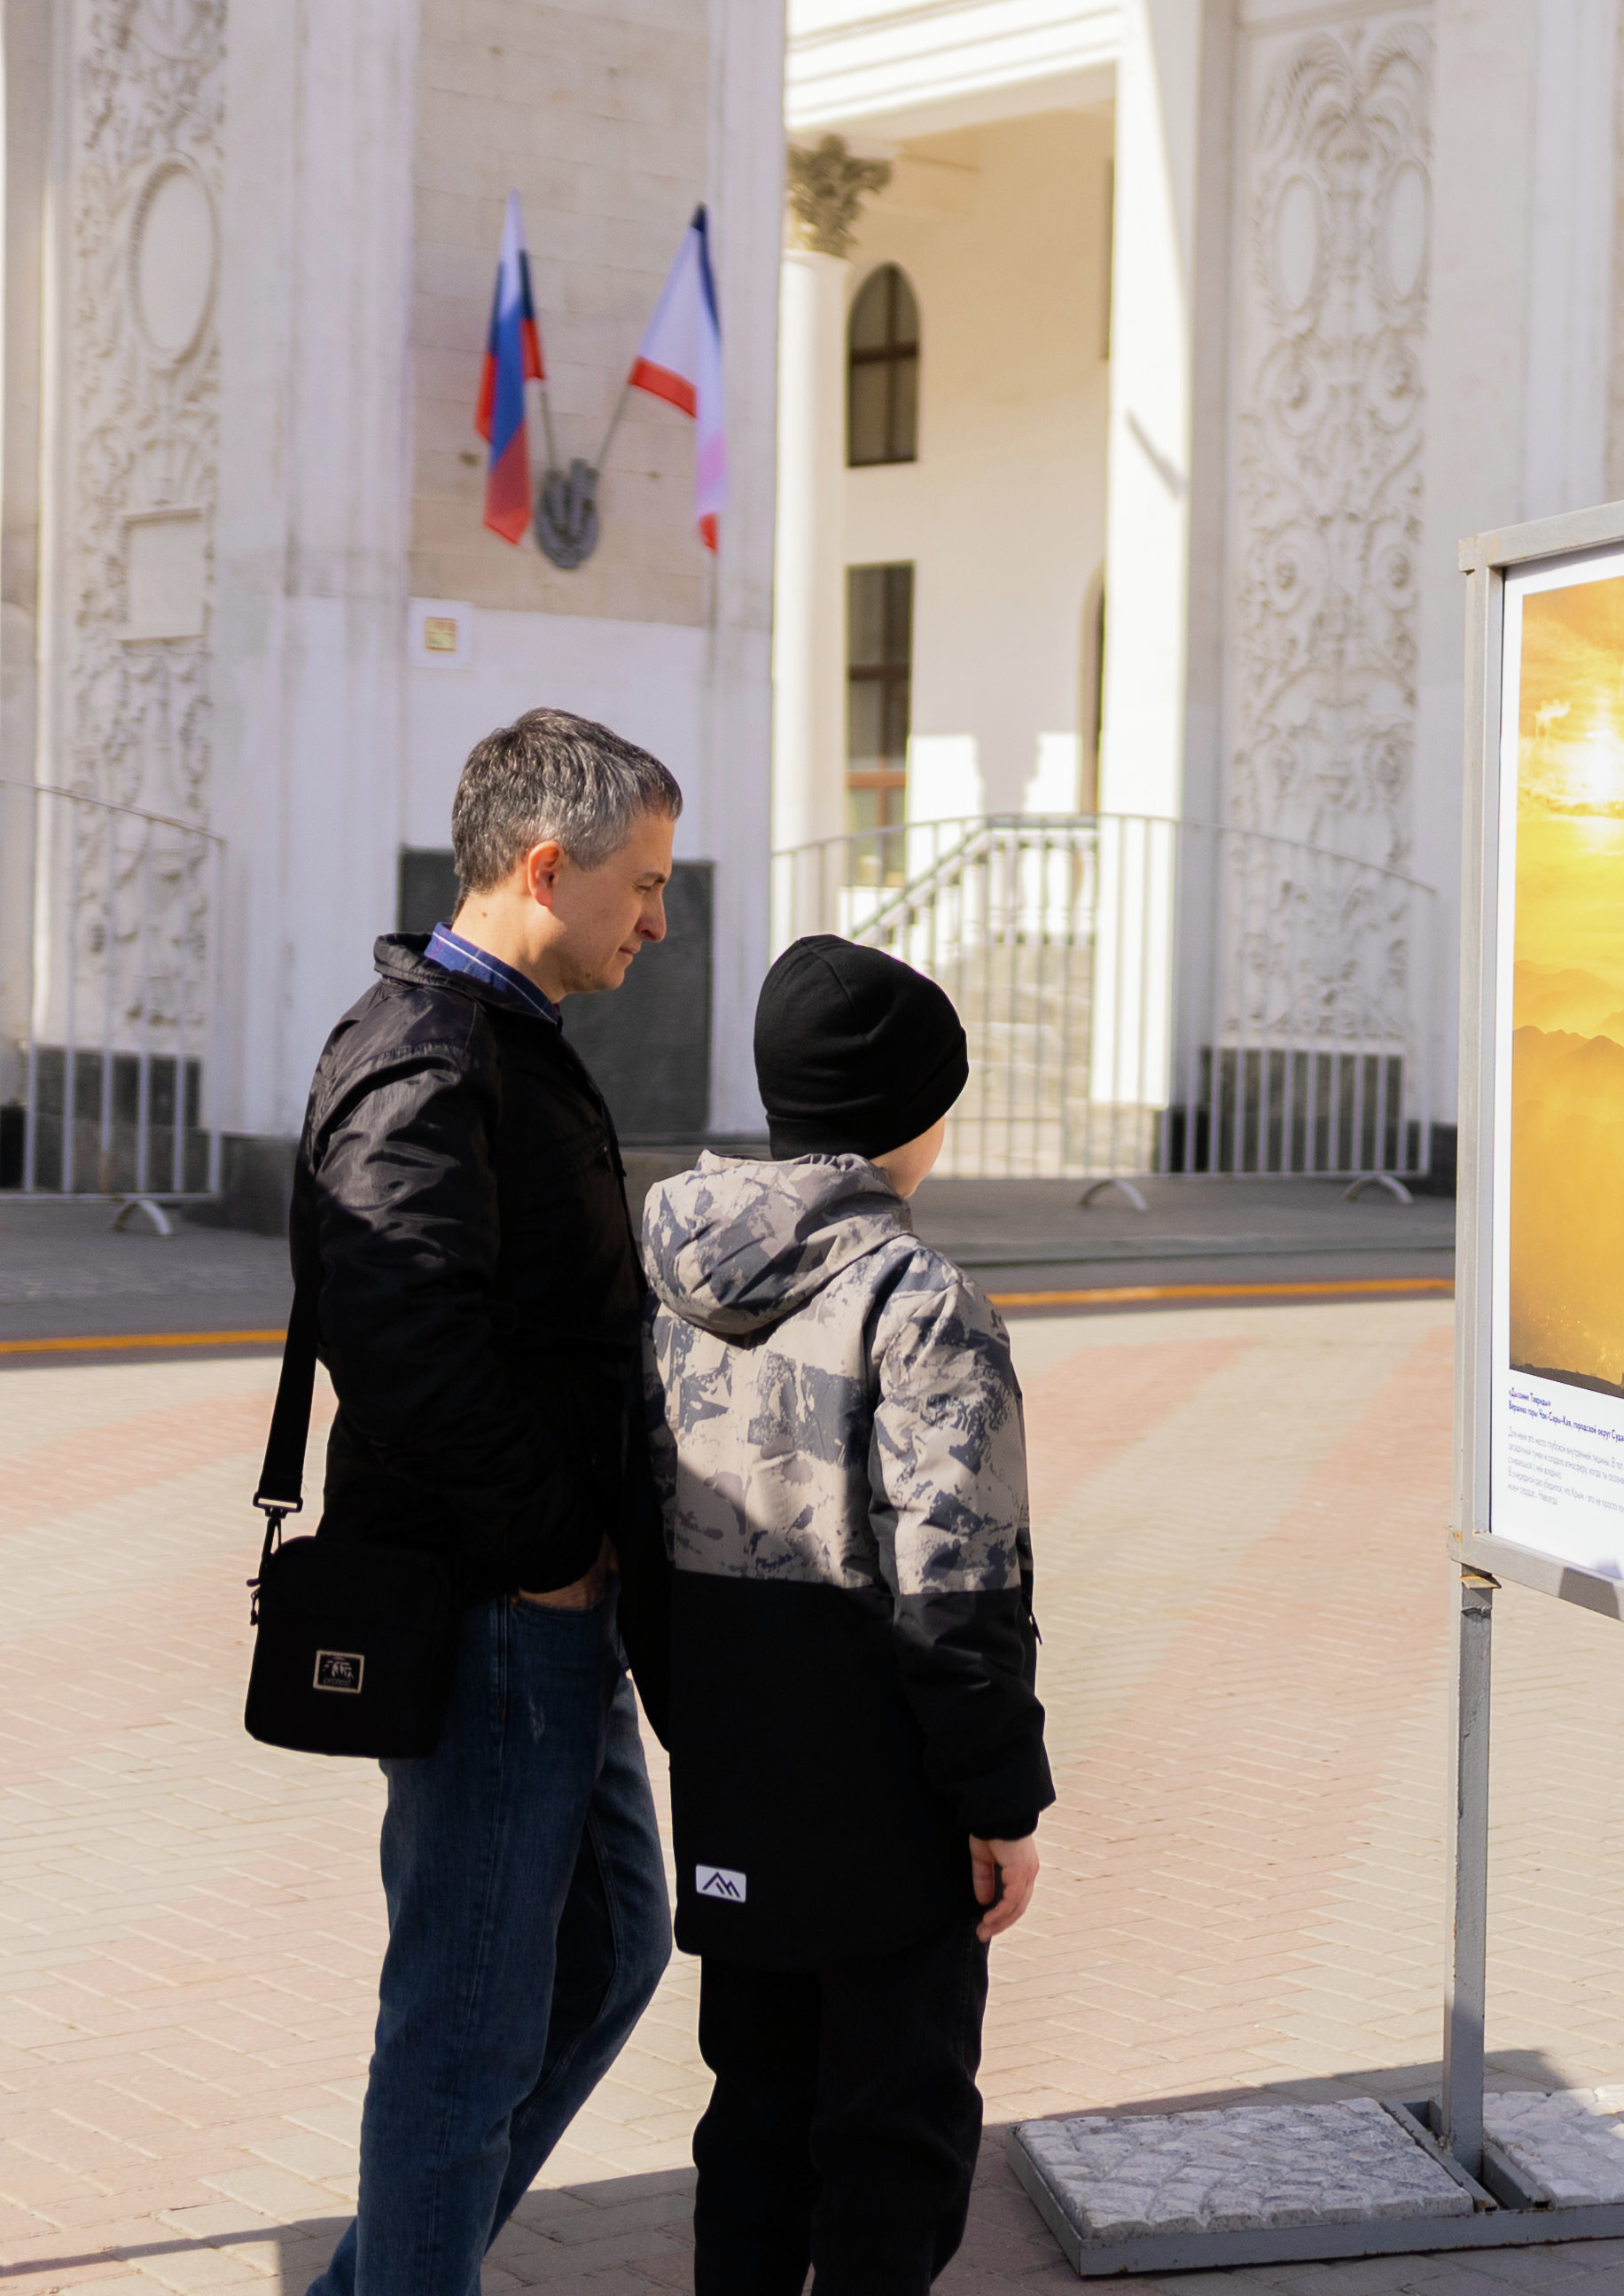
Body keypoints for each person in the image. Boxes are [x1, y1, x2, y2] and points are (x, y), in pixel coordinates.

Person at [293, 709, 682, 2296]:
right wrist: (546, 1553)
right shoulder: (431, 1056)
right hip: (495, 1613)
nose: (658, 920)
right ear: (546, 867)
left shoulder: (496, 1041)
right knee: (462, 2030)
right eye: (642, 886)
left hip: (543, 1610)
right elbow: (398, 1336)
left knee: (609, 1950)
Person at [636, 934, 1055, 2293]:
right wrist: (999, 1800)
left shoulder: (673, 1286)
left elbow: (640, 1541)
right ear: (911, 1115)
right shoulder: (918, 1303)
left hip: (735, 1772)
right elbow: (958, 1586)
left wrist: (700, 1714)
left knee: (753, 2113)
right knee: (897, 2136)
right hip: (885, 1797)